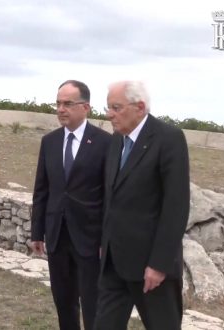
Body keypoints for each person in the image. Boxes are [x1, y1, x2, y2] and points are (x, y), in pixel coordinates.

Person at [94, 81, 190, 330]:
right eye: (108, 107)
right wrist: (105, 242)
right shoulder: (117, 140)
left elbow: (175, 207)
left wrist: (159, 264)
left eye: (116, 107)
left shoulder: (168, 139)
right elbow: (111, 197)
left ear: (139, 107)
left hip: (151, 269)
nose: (109, 114)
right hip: (114, 262)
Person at [31, 80, 111, 330]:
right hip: (57, 237)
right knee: (64, 303)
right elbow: (42, 190)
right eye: (58, 103)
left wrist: (106, 240)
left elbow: (110, 196)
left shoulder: (105, 143)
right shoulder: (50, 142)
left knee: (93, 305)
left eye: (68, 103)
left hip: (90, 240)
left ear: (85, 107)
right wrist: (37, 232)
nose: (61, 109)